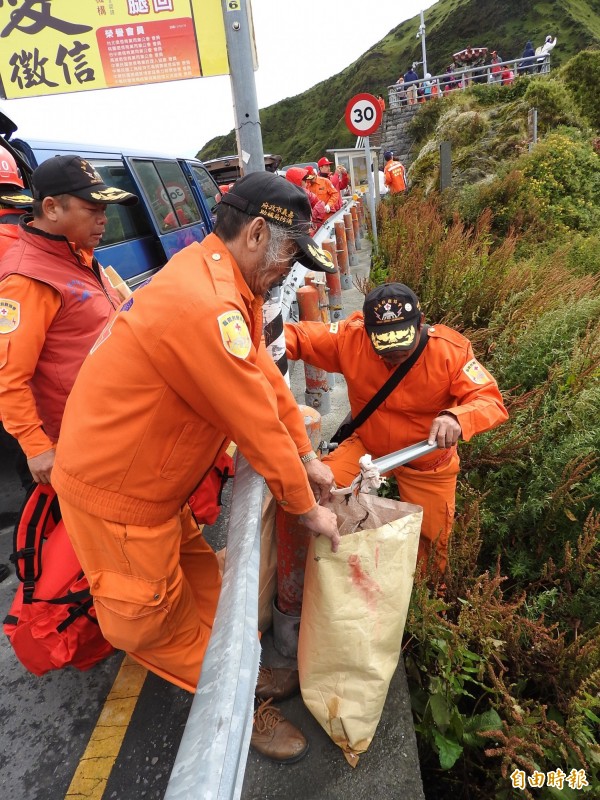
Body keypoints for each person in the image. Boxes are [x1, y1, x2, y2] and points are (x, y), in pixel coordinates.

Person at [51, 172, 341, 763]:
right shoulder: (206, 303)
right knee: (152, 619)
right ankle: (234, 711)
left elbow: (263, 380)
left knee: (208, 587)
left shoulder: (222, 282)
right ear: (259, 233)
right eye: (290, 257)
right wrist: (306, 509)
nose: (290, 272)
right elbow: (252, 422)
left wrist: (306, 455)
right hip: (118, 500)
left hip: (155, 491)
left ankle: (244, 672)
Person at [284, 282, 508, 575]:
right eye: (384, 348)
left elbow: (490, 401)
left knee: (432, 543)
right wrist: (243, 338)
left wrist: (457, 417)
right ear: (366, 330)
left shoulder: (450, 352)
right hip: (368, 449)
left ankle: (427, 605)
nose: (394, 355)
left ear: (421, 322)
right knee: (316, 493)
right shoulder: (350, 340)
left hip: (427, 460)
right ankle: (328, 577)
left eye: (403, 344)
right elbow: (298, 337)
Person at [0, 154, 138, 487]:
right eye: (93, 211)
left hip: (118, 423)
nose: (103, 220)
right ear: (51, 208)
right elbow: (8, 377)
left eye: (105, 210)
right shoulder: (27, 278)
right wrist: (36, 448)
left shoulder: (76, 254)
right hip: (83, 441)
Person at [285, 166, 327, 231]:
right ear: (297, 180)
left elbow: (320, 203)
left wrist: (313, 217)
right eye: (304, 179)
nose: (307, 182)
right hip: (303, 230)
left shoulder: (306, 192)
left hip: (310, 228)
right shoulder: (291, 195)